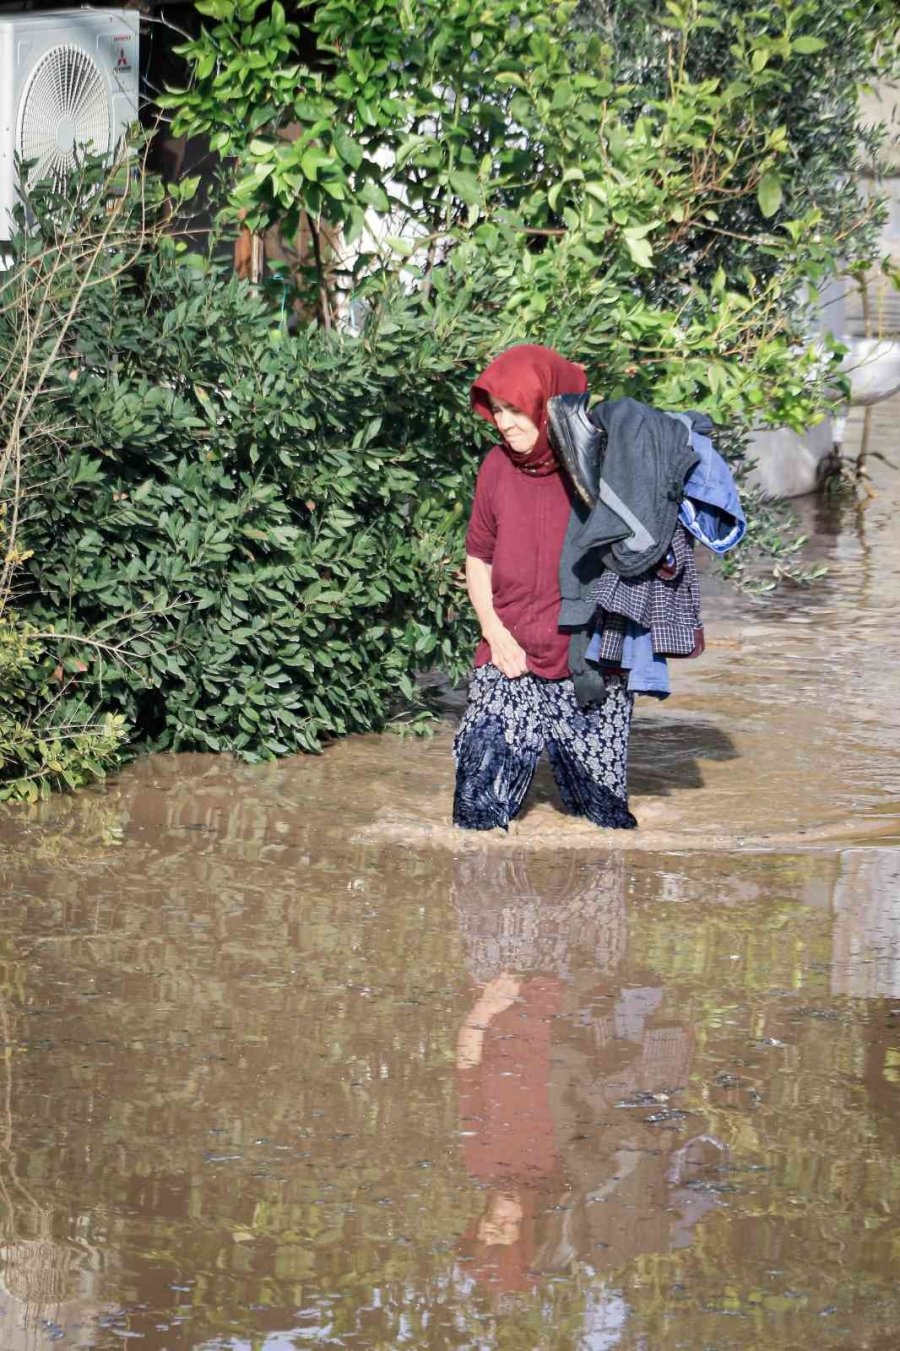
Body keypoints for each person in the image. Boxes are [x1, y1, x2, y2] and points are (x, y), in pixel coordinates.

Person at [453, 343, 637, 832]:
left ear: (546, 405)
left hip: (587, 663)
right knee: (476, 815)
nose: (505, 422)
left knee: (602, 826)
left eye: (515, 409)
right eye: (497, 410)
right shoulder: (494, 466)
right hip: (509, 655)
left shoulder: (595, 466)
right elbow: (478, 557)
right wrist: (494, 632)